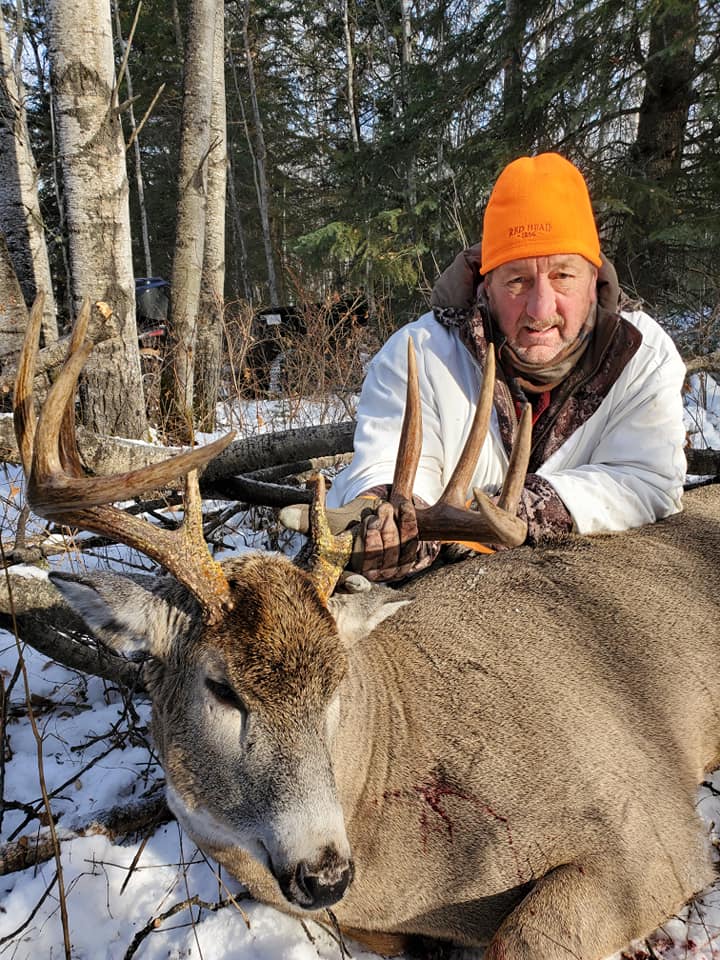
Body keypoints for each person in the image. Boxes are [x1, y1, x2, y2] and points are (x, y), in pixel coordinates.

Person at [320, 153, 687, 582]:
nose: (540, 308)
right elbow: (382, 460)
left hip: (595, 593)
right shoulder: (419, 354)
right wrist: (389, 513)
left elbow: (646, 477)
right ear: (485, 283)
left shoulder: (642, 354)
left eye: (563, 276)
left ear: (595, 278)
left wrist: (528, 510)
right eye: (518, 281)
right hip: (453, 600)